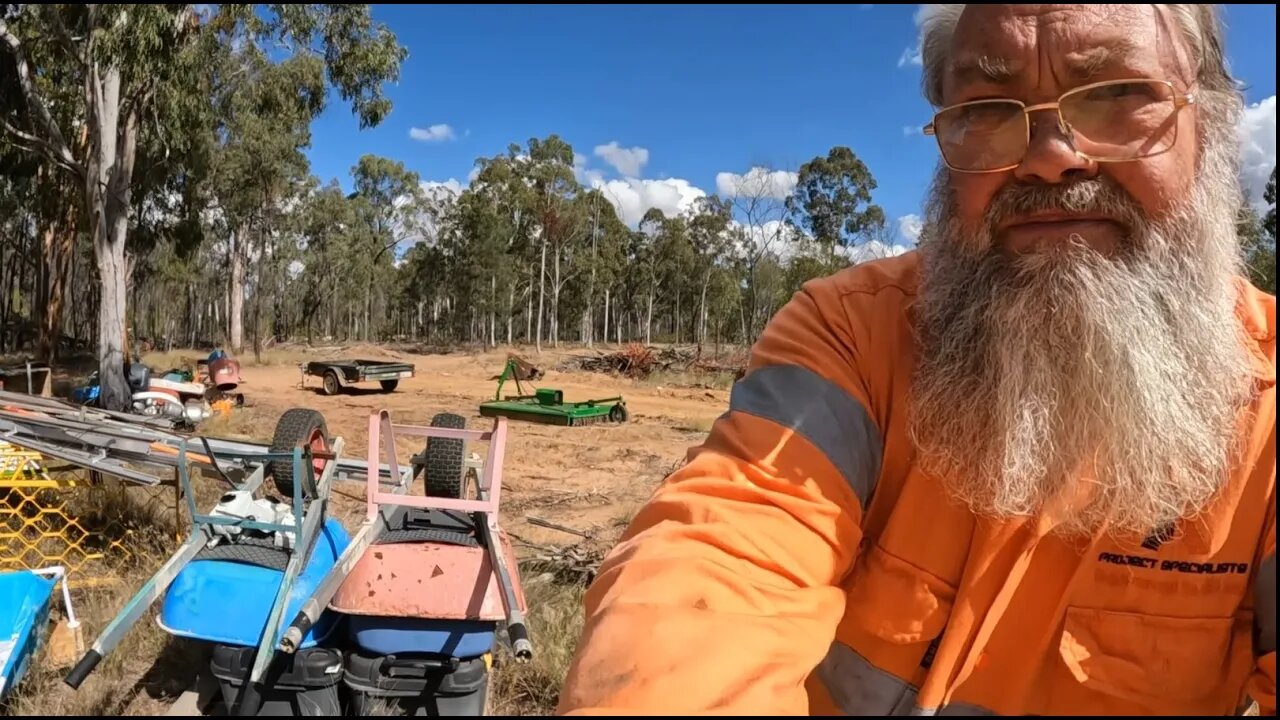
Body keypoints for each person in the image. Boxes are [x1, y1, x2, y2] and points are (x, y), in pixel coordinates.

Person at [556, 3, 1276, 716]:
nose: (1052, 157)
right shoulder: (850, 333)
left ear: (1208, 124)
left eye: (1119, 94)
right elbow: (713, 569)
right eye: (990, 107)